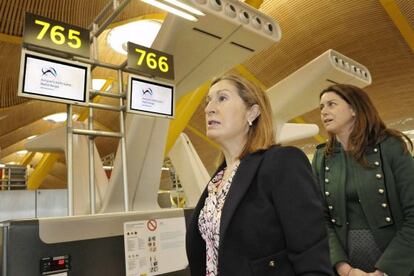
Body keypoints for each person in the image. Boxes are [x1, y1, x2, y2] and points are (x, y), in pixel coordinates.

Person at [186, 74, 333, 276]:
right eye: (208, 100)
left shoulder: (282, 163)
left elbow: (311, 256)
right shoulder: (216, 181)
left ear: (252, 112)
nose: (209, 108)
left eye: (222, 98)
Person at [312, 84, 414, 276]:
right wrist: (344, 269)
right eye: (321, 107)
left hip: (396, 266)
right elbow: (320, 219)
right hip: (346, 268)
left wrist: (384, 271)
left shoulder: (390, 147)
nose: (324, 112)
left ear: (354, 109)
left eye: (331, 104)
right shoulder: (322, 157)